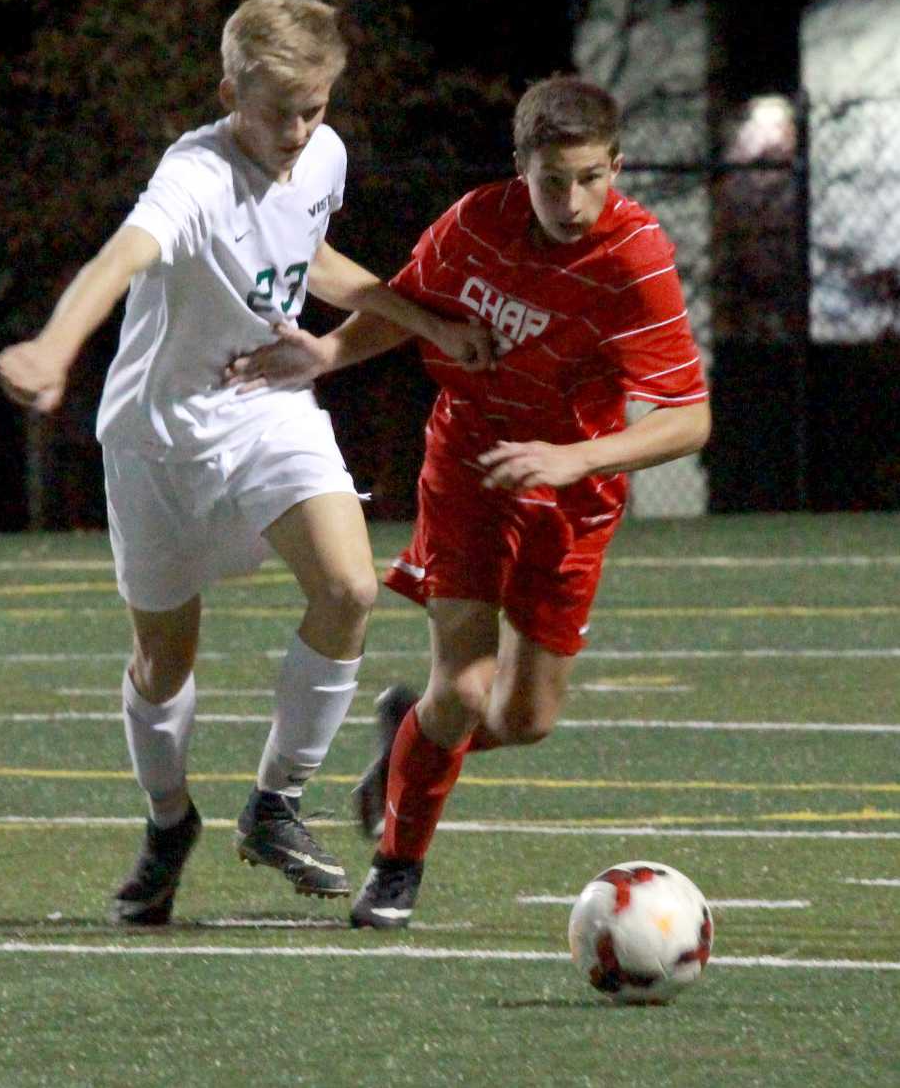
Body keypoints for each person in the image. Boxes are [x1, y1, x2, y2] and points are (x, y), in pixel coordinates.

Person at [0, 0, 490, 927]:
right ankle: (169, 820)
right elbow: (118, 260)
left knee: (349, 586)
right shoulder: (195, 174)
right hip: (159, 440)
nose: (303, 129)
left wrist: (423, 322)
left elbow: (310, 257)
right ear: (230, 93)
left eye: (318, 107)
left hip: (265, 405)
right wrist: (56, 348)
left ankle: (276, 802)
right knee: (161, 661)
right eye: (281, 111)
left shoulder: (323, 153)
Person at [220, 73, 711, 929]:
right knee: (466, 682)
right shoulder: (475, 224)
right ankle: (397, 867)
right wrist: (330, 353)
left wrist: (574, 459)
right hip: (469, 464)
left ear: (617, 166)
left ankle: (409, 746)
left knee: (524, 717)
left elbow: (689, 418)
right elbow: (407, 306)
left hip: (572, 491)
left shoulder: (635, 257)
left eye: (592, 176)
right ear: (520, 166)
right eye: (553, 179)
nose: (572, 199)